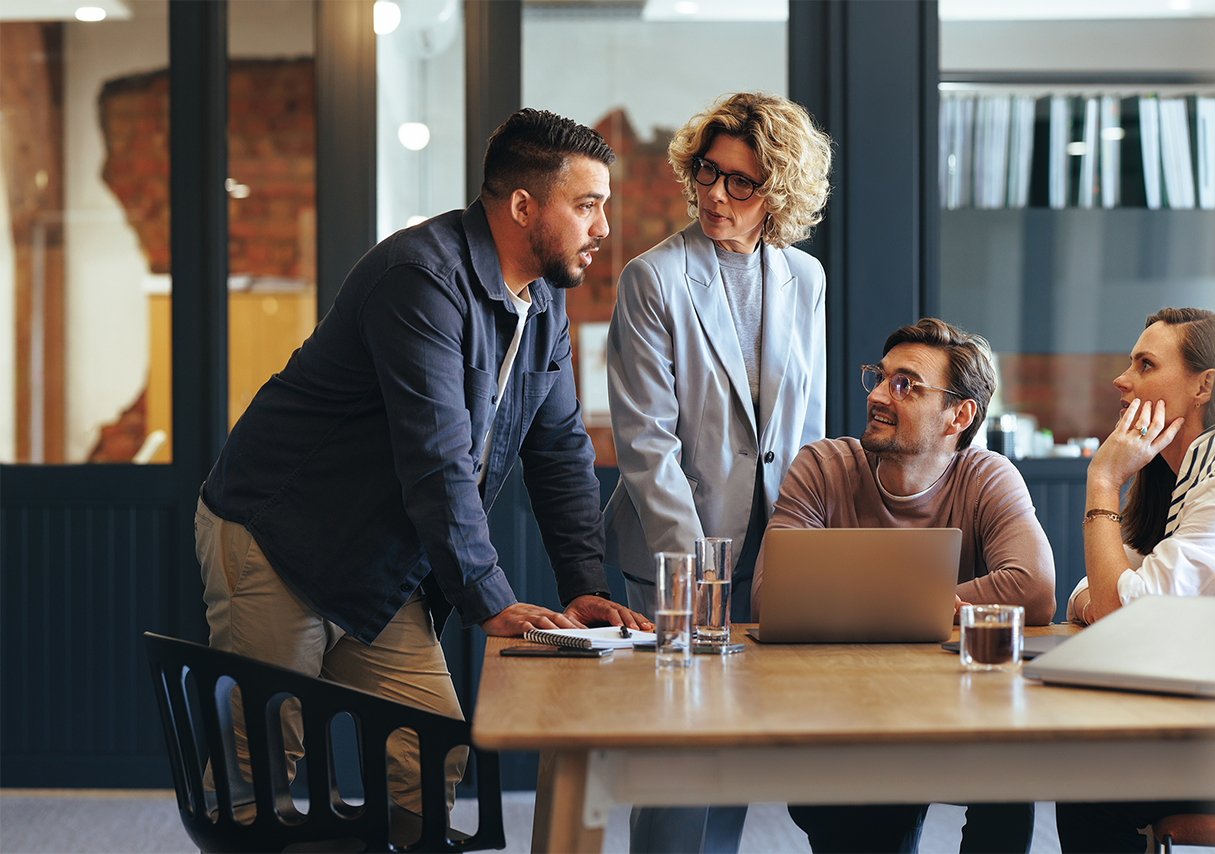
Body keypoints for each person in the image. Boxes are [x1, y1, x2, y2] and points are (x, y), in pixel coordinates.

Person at [194, 108, 650, 821]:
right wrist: (491, 599)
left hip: (382, 557)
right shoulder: (421, 279)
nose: (602, 230)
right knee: (260, 765)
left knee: (429, 749)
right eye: (587, 206)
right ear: (524, 206)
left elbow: (559, 450)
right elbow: (436, 459)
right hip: (279, 538)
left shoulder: (544, 306)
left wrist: (584, 588)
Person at [604, 92, 833, 854]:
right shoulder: (652, 279)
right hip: (676, 554)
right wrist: (694, 577)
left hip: (771, 551)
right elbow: (645, 444)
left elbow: (808, 428)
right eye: (708, 172)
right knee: (677, 757)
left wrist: (804, 543)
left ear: (781, 194)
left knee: (729, 748)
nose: (716, 195)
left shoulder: (805, 278)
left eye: (742, 182)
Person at [756, 318, 1056, 854]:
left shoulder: (987, 475)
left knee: (1013, 774)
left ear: (958, 416)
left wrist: (891, 603)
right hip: (848, 714)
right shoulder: (823, 466)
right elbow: (772, 594)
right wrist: (945, 606)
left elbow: (1033, 588)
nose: (877, 394)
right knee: (858, 817)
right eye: (880, 377)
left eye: (906, 385)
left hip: (961, 709)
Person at [1056, 307, 1215, 853]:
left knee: (1085, 781)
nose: (1121, 379)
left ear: (1204, 385)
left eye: (1145, 364)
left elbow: (1118, 613)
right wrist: (1108, 596)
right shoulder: (1194, 471)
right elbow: (1096, 594)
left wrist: (1104, 479)